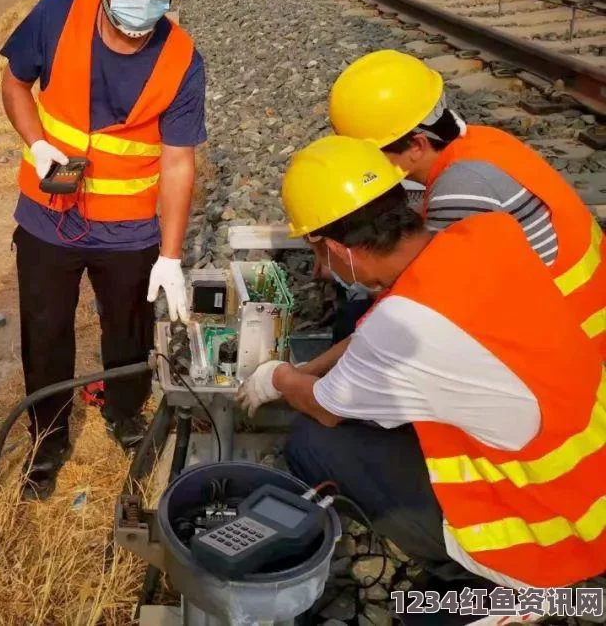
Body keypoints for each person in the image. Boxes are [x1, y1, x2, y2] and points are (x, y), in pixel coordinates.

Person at [240, 135, 606, 603]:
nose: (320, 270)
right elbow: (386, 326)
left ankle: (481, 589)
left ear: (338, 247)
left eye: (319, 255)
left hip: (549, 537)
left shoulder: (401, 327)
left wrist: (276, 377)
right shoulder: (487, 234)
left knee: (316, 443)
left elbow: (326, 406)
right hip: (588, 485)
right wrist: (311, 363)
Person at [0, 0, 207, 499]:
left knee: (128, 328)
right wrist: (36, 144)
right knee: (45, 331)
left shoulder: (182, 60)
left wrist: (169, 255)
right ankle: (49, 438)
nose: (142, 3)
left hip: (130, 231)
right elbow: (15, 82)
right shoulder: (54, 16)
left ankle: (123, 411)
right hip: (47, 217)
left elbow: (177, 161)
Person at [330, 49, 604, 351]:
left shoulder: (461, 188)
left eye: (373, 155)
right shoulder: (483, 141)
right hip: (581, 314)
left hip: (571, 343)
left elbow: (430, 309)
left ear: (417, 145)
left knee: (365, 325)